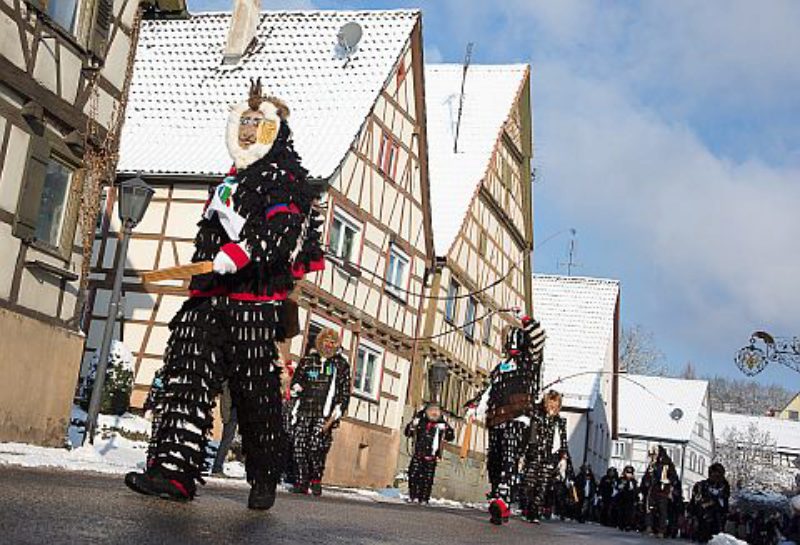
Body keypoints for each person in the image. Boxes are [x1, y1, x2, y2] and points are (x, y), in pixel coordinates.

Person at [124, 79, 325, 510]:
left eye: (258, 123)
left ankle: (265, 474)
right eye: (244, 122)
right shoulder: (231, 179)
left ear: (275, 130)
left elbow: (284, 234)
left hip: (252, 304)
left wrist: (242, 251)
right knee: (186, 379)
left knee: (254, 393)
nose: (248, 131)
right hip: (208, 297)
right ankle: (172, 471)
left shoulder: (285, 180)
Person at [467, 317, 546, 525]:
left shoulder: (530, 362)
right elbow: (489, 389)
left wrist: (527, 321)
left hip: (517, 417)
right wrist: (476, 403)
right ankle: (496, 497)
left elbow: (539, 338)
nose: (510, 345)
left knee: (509, 459)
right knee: (495, 459)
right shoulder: (501, 367)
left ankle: (504, 498)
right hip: (496, 418)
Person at [289, 328, 351, 496]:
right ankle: (301, 481)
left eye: (333, 342)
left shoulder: (341, 364)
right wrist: (297, 388)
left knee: (317, 447)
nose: (329, 345)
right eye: (326, 341)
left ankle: (315, 479)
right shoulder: (308, 360)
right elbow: (296, 381)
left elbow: (344, 392)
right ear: (320, 342)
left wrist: (335, 415)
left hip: (325, 413)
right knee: (299, 446)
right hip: (304, 410)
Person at [522, 390, 570, 524]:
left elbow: (563, 440)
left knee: (543, 485)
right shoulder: (538, 416)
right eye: (550, 404)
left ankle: (535, 511)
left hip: (550, 457)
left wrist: (563, 456)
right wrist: (528, 451)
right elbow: (530, 434)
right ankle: (528, 507)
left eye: (555, 405)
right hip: (535, 454)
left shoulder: (560, 422)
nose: (552, 408)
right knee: (529, 484)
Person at [403, 402, 455, 504]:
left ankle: (424, 498)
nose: (434, 413)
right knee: (413, 475)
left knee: (427, 478)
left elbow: (450, 437)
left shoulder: (441, 424)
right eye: (432, 410)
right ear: (426, 411)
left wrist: (446, 429)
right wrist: (412, 425)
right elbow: (408, 433)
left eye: (437, 411)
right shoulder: (421, 422)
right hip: (418, 453)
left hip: (431, 456)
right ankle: (413, 495)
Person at [641, 445, 680, 537]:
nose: (653, 456)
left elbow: (674, 477)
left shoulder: (667, 464)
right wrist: (646, 482)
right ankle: (649, 527)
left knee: (662, 511)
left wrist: (669, 481)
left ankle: (661, 530)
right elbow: (647, 476)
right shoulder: (652, 464)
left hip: (663, 490)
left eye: (654, 454)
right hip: (652, 489)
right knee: (649, 508)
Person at [690, 462, 731, 543]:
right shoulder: (701, 485)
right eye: (713, 473)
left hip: (717, 519)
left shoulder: (724, 487)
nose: (715, 476)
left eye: (718, 474)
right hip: (703, 518)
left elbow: (725, 504)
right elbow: (695, 501)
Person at [210, 383, 238, 476]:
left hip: (233, 413)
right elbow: (226, 401)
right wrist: (226, 416)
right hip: (231, 414)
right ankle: (217, 467)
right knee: (226, 441)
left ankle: (217, 467)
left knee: (226, 440)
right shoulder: (228, 383)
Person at [617, 465, 640, 531]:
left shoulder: (634, 481)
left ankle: (628, 525)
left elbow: (635, 490)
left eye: (630, 473)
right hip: (622, 498)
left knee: (629, 513)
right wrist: (624, 484)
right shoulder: (622, 479)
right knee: (622, 512)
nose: (629, 475)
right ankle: (621, 524)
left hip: (631, 499)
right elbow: (619, 487)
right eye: (628, 473)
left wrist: (636, 497)